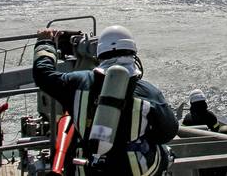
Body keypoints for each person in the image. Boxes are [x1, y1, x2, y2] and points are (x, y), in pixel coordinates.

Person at [33, 25, 179, 176]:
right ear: (133, 53)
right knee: (163, 152)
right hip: (133, 170)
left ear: (99, 54)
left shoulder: (77, 83)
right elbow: (168, 132)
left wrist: (45, 43)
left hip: (87, 169)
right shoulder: (149, 93)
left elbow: (43, 75)